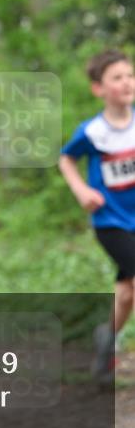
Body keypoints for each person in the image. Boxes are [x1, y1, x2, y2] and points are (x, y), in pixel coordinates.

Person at [59, 49, 135, 386]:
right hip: (111, 222)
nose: (126, 82)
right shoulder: (92, 132)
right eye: (116, 78)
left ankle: (106, 339)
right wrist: (81, 191)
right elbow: (66, 159)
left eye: (130, 75)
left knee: (126, 294)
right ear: (98, 89)